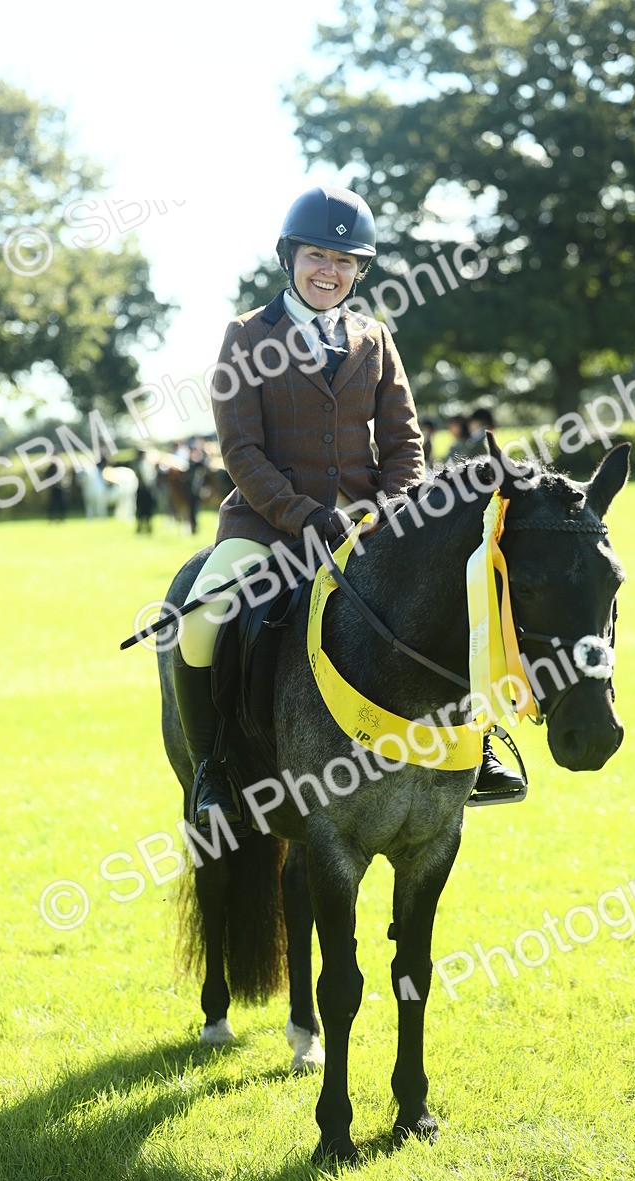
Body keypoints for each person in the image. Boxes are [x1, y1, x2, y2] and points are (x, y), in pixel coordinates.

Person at [171, 185, 524, 831]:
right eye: (316, 256)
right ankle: (212, 768)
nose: (328, 271)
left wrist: (393, 510)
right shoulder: (246, 335)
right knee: (203, 620)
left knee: (466, 596)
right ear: (289, 258)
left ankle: (481, 747)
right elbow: (240, 450)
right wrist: (304, 514)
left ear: (358, 270)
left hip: (370, 523)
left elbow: (404, 441)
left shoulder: (374, 337)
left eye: (344, 261)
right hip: (268, 525)